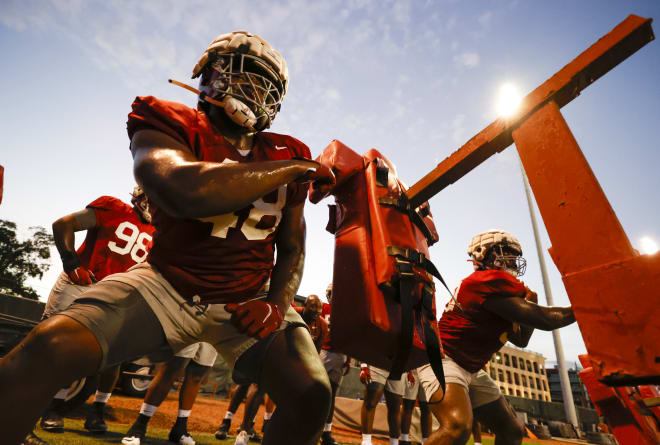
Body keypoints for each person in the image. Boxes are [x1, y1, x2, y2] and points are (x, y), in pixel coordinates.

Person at [0, 30, 335, 445]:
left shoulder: (286, 149)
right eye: (248, 79)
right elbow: (182, 189)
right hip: (165, 283)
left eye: (267, 87)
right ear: (212, 74)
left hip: (246, 294)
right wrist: (291, 169)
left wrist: (276, 303)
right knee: (43, 351)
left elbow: (293, 246)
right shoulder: (169, 120)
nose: (256, 93)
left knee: (312, 393)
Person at [418, 229, 576, 445]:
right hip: (444, 359)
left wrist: (531, 307)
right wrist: (588, 302)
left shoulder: (500, 294)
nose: (512, 259)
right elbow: (549, 320)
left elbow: (521, 340)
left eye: (514, 254)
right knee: (456, 428)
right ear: (483, 254)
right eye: (506, 251)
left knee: (512, 432)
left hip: (471, 368)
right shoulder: (482, 283)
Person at [26, 189, 154, 445]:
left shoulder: (162, 232)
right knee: (46, 349)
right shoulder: (115, 208)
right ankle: (22, 419)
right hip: (80, 284)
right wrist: (71, 261)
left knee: (105, 356)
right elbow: (64, 224)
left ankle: (68, 410)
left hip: (111, 298)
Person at [121, 342, 218, 445]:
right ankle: (139, 426)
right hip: (193, 326)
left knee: (197, 375)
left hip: (216, 330)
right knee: (173, 366)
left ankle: (180, 429)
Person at [319, 284, 349, 445]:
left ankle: (326, 433)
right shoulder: (322, 307)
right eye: (331, 293)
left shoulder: (347, 312)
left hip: (339, 355)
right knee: (317, 392)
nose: (334, 296)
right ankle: (310, 428)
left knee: (331, 396)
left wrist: (349, 358)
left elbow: (350, 337)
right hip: (323, 351)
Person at [358, 363, 407, 445]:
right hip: (378, 360)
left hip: (399, 365)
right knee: (370, 402)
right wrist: (363, 366)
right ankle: (366, 441)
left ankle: (394, 443)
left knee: (395, 406)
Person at [400, 369, 432, 445]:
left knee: (427, 408)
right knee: (408, 406)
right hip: (412, 369)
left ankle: (426, 441)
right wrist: (409, 369)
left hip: (427, 371)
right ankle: (404, 440)